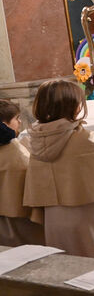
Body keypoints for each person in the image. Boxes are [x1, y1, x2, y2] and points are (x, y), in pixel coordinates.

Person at [22, 80, 94, 259]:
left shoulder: (35, 143)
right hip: (93, 213)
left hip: (55, 217)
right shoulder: (93, 142)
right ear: (74, 106)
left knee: (68, 265)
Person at [0, 100, 44, 246]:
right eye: (16, 118)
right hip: (19, 221)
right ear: (4, 124)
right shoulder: (14, 152)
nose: (20, 122)